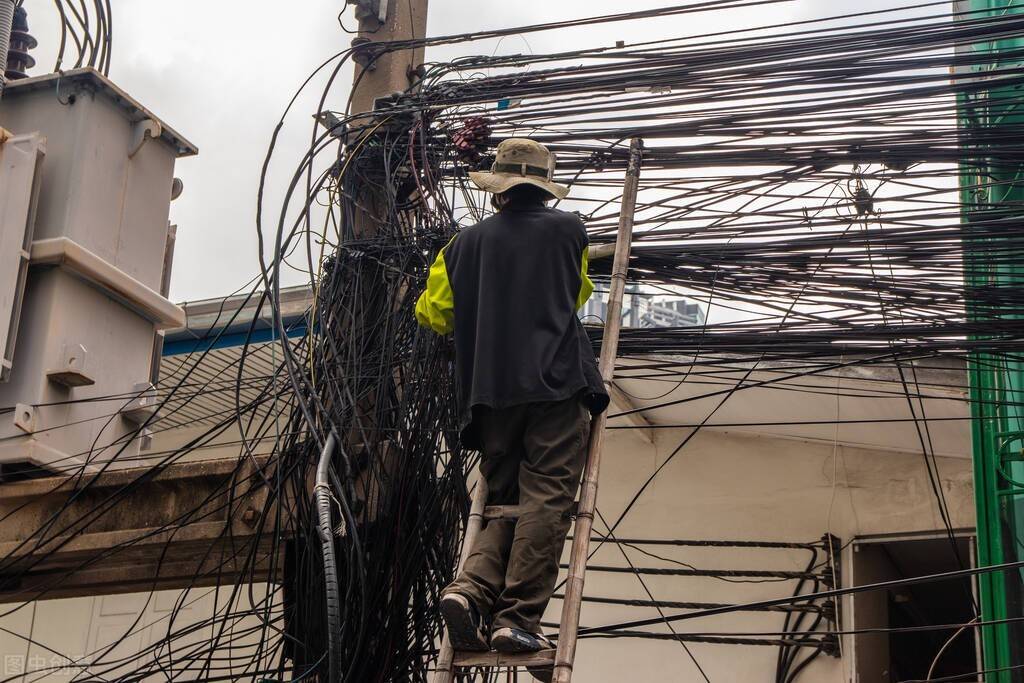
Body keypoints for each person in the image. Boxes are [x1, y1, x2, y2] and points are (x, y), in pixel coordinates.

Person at [415, 138, 609, 659]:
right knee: (546, 497)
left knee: (504, 502)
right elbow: (577, 294)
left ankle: (470, 589)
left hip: (488, 397)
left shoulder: (459, 247)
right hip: (555, 386)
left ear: (497, 190)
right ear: (545, 190)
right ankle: (519, 617)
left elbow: (432, 314)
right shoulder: (569, 230)